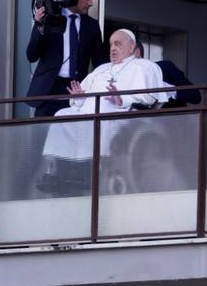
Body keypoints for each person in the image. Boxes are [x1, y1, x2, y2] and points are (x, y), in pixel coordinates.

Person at [39, 29, 168, 185]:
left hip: (120, 112)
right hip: (88, 110)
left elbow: (148, 98)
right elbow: (85, 97)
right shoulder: (102, 69)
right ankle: (60, 169)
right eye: (111, 44)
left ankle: (89, 172)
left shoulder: (144, 66)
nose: (112, 48)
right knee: (61, 115)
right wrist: (79, 97)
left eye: (118, 44)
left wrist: (121, 99)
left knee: (98, 118)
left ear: (132, 46)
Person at [26, 0, 106, 118]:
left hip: (76, 90)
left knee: (71, 136)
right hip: (49, 88)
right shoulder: (51, 17)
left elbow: (99, 63)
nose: (90, 3)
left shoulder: (92, 26)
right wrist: (39, 24)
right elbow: (32, 55)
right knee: (41, 135)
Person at [134, 40, 201, 106]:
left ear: (137, 52)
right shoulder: (125, 78)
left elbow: (195, 96)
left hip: (171, 116)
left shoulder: (165, 67)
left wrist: (171, 90)